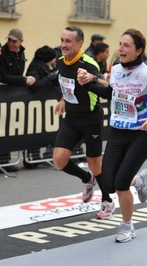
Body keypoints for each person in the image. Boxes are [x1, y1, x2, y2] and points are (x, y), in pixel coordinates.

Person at [79, 28, 147, 241]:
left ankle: (127, 225)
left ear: (138, 50)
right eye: (120, 44)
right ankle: (139, 181)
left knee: (120, 184)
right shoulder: (116, 69)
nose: (121, 48)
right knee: (108, 184)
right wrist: (89, 85)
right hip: (118, 132)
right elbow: (112, 93)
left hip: (140, 134)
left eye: (126, 45)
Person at [53, 26, 108, 208]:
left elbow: (106, 83)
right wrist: (63, 100)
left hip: (90, 118)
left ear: (80, 43)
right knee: (59, 160)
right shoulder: (61, 62)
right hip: (71, 118)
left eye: (68, 41)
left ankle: (107, 200)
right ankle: (86, 179)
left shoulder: (87, 62)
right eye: (62, 40)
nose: (64, 45)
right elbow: (65, 83)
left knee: (94, 163)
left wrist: (92, 78)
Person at [0, 28, 36, 172]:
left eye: (14, 41)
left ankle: (6, 161)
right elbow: (3, 76)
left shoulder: (21, 53)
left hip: (13, 95)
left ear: (21, 41)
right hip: (2, 94)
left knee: (9, 129)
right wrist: (23, 80)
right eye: (9, 40)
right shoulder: (2, 53)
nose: (10, 43)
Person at [23, 45, 59, 168]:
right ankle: (32, 157)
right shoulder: (34, 67)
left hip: (44, 104)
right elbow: (36, 85)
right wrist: (49, 77)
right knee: (34, 131)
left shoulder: (48, 66)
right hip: (35, 103)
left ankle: (39, 156)